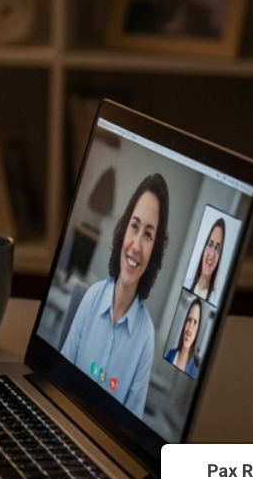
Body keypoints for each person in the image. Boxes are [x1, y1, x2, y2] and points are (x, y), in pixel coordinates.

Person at [59, 173, 170, 418]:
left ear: (155, 251)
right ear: (123, 230)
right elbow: (60, 381)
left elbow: (131, 426)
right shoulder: (91, 298)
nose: (136, 245)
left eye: (149, 235)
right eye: (134, 226)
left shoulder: (145, 337)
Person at [189, 218, 227, 303]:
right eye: (210, 243)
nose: (212, 254)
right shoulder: (186, 283)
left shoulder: (218, 301)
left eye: (217, 248)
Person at [165, 298, 203, 378]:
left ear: (198, 330)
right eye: (189, 320)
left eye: (195, 322)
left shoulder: (194, 373)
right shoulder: (170, 354)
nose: (189, 329)